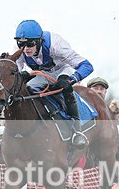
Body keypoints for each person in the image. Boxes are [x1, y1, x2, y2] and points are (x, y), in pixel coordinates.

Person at [12, 19, 93, 148]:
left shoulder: (56, 45)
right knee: (25, 89)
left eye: (30, 43)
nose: (26, 48)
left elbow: (87, 66)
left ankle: (77, 131)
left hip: (64, 69)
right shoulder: (20, 49)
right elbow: (16, 71)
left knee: (65, 89)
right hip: (42, 72)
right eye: (21, 43)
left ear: (39, 41)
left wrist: (71, 79)